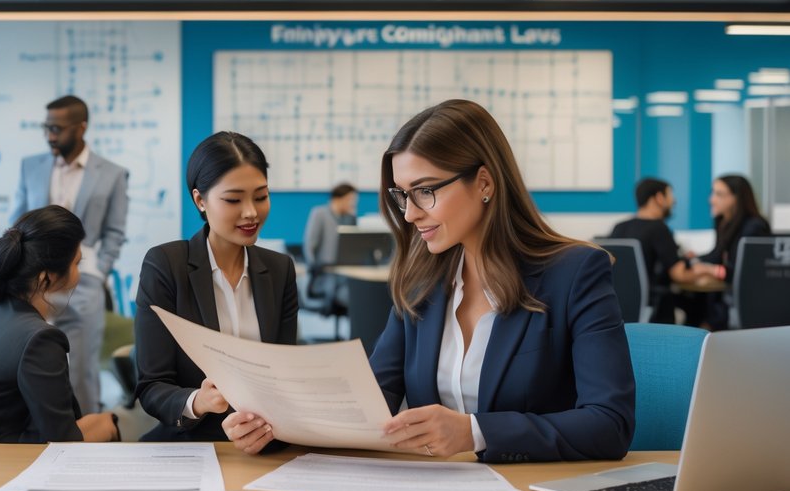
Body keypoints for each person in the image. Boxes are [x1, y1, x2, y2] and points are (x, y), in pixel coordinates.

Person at [224, 100, 636, 462]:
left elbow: (609, 424)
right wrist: (275, 425)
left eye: (424, 191)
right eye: (402, 195)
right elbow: (371, 404)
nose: (409, 214)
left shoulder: (575, 273)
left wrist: (473, 432)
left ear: (485, 183)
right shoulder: (422, 282)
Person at [134, 132, 299, 442]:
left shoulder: (279, 270)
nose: (251, 212)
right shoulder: (165, 266)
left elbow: (283, 374)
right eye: (234, 199)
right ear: (200, 200)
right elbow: (151, 387)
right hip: (193, 445)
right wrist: (200, 401)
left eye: (261, 196)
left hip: (267, 441)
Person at [0, 206, 119, 443]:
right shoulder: (39, 339)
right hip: (5, 464)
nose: (79, 275)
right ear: (46, 278)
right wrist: (107, 426)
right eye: (77, 264)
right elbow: (64, 442)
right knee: (108, 424)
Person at [11, 95, 128, 413]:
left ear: (81, 128)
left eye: (57, 128)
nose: (50, 134)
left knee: (80, 369)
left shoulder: (113, 174)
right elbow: (17, 222)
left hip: (84, 280)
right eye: (46, 127)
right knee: (27, 361)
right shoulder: (30, 167)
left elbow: (115, 233)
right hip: (33, 280)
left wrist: (99, 271)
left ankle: (86, 440)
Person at [608, 177, 717, 324]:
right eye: (670, 195)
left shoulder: (619, 227)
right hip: (655, 308)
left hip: (619, 307)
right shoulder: (658, 228)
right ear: (659, 198)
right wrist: (707, 270)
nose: (674, 201)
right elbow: (680, 275)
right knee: (701, 305)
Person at [692, 174, 771, 330]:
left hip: (743, 301)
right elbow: (716, 254)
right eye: (713, 193)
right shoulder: (722, 222)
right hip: (723, 296)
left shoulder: (754, 226)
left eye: (719, 194)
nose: (711, 199)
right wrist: (694, 259)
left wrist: (711, 269)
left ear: (737, 198)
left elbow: (745, 273)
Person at [302, 181, 358, 302]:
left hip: (345, 275)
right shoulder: (320, 213)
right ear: (338, 199)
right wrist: (314, 269)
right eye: (351, 199)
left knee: (362, 293)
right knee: (354, 297)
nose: (353, 203)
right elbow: (309, 246)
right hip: (325, 275)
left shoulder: (349, 218)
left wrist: (352, 217)